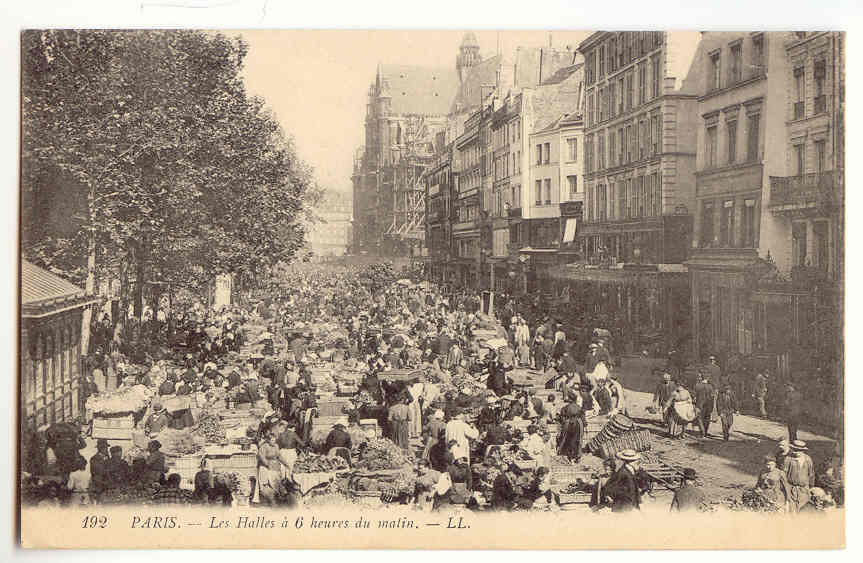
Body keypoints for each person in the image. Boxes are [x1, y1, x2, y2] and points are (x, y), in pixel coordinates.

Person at [785, 440, 815, 512]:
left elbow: (811, 474)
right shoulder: (788, 459)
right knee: (792, 510)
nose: (796, 452)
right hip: (791, 489)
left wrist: (811, 487)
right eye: (794, 450)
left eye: (799, 450)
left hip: (804, 489)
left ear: (803, 451)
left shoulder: (807, 459)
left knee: (803, 509)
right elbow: (784, 474)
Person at [694, 374, 717, 438]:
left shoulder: (697, 386)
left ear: (701, 378)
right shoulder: (710, 387)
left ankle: (702, 432)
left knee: (700, 419)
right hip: (709, 405)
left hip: (700, 405)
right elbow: (712, 397)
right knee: (707, 419)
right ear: (707, 379)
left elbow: (694, 396)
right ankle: (705, 432)